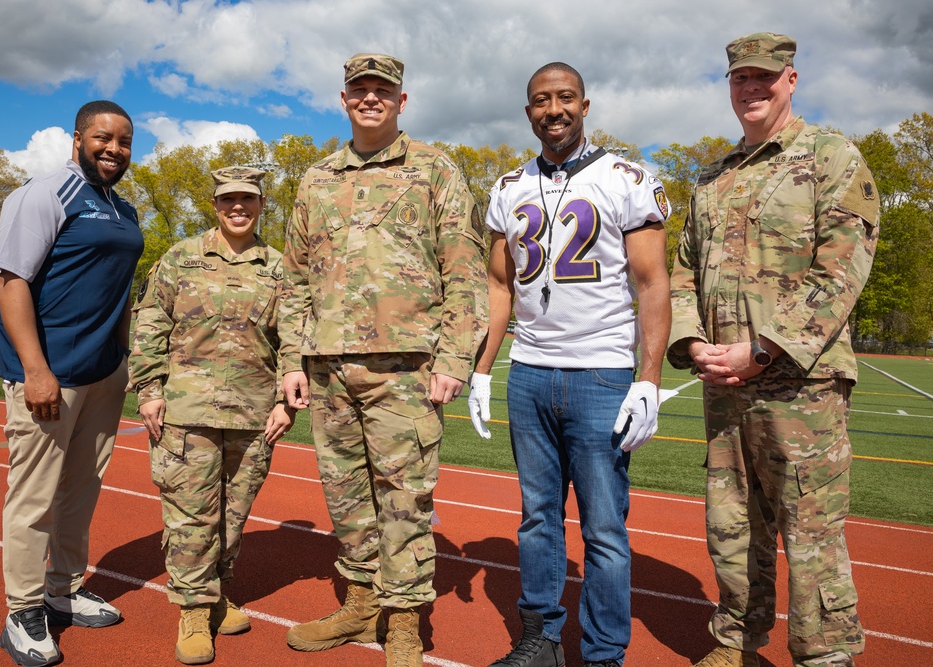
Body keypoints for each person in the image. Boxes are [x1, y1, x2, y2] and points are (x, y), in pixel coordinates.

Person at [667, 33, 879, 667]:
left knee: (810, 536)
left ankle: (825, 655)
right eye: (739, 79)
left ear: (790, 80)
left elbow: (841, 272)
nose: (750, 89)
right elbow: (684, 271)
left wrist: (761, 351)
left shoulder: (832, 158)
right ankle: (735, 644)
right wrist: (691, 340)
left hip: (801, 387)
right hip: (725, 386)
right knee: (732, 530)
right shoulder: (713, 178)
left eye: (763, 77)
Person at [278, 53, 488, 666]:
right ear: (343, 99)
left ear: (402, 100)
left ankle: (403, 619)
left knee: (404, 498)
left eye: (383, 91)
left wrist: (453, 357)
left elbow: (466, 272)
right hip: (328, 367)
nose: (370, 98)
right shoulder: (316, 178)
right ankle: (362, 601)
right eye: (359, 89)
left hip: (406, 371)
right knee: (346, 498)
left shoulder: (435, 170)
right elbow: (294, 279)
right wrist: (293, 359)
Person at [468, 62, 671, 667]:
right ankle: (542, 640)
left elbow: (652, 282)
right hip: (529, 372)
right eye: (539, 100)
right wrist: (483, 367)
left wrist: (649, 378)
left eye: (564, 98)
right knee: (537, 518)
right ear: (527, 111)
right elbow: (499, 288)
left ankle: (605, 652)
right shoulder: (507, 187)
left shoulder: (625, 176)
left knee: (604, 529)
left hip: (602, 372)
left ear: (585, 105)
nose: (552, 110)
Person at [0, 100, 143, 667]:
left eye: (125, 141)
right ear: (77, 137)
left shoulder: (122, 208)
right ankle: (23, 610)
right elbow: (12, 282)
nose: (114, 149)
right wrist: (35, 370)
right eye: (103, 138)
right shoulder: (45, 193)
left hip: (103, 374)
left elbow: (118, 290)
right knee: (33, 497)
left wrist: (123, 357)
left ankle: (62, 588)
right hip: (51, 376)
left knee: (80, 491)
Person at [129, 165, 295, 665]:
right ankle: (194, 611)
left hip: (253, 414)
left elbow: (295, 339)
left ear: (262, 204)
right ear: (215, 205)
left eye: (247, 199)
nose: (238, 208)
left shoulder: (279, 268)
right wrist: (150, 390)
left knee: (233, 516)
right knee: (191, 516)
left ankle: (217, 594)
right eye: (228, 200)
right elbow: (149, 325)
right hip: (187, 411)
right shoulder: (181, 258)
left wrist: (287, 402)